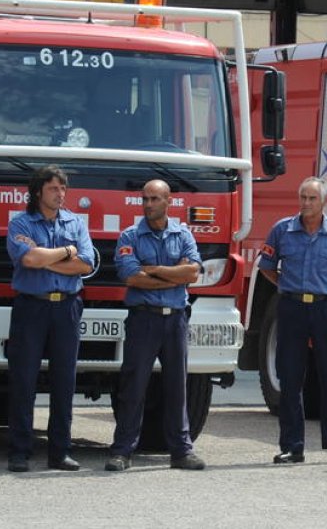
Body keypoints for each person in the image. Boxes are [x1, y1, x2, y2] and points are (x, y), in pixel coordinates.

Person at [257, 176, 327, 466]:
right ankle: (293, 446)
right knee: (290, 377)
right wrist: (285, 284)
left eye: (312, 198)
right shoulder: (282, 230)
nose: (306, 203)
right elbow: (266, 265)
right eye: (302, 197)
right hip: (291, 308)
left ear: (324, 201)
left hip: (326, 308)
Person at [105, 179, 206, 472]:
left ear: (168, 201)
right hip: (144, 318)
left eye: (155, 199)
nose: (148, 204)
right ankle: (122, 451)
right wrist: (175, 274)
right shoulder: (130, 236)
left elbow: (193, 273)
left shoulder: (182, 234)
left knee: (177, 386)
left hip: (175, 319)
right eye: (145, 199)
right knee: (134, 386)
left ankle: (181, 452)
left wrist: (156, 270)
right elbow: (131, 277)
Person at [5, 165, 95, 473]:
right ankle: (19, 452)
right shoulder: (20, 222)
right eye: (53, 188)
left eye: (63, 189)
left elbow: (85, 264)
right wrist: (65, 253)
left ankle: (60, 452)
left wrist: (48, 259)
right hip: (32, 307)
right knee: (23, 380)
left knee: (64, 381)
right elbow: (27, 259)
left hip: (66, 308)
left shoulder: (75, 223)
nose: (60, 194)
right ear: (38, 192)